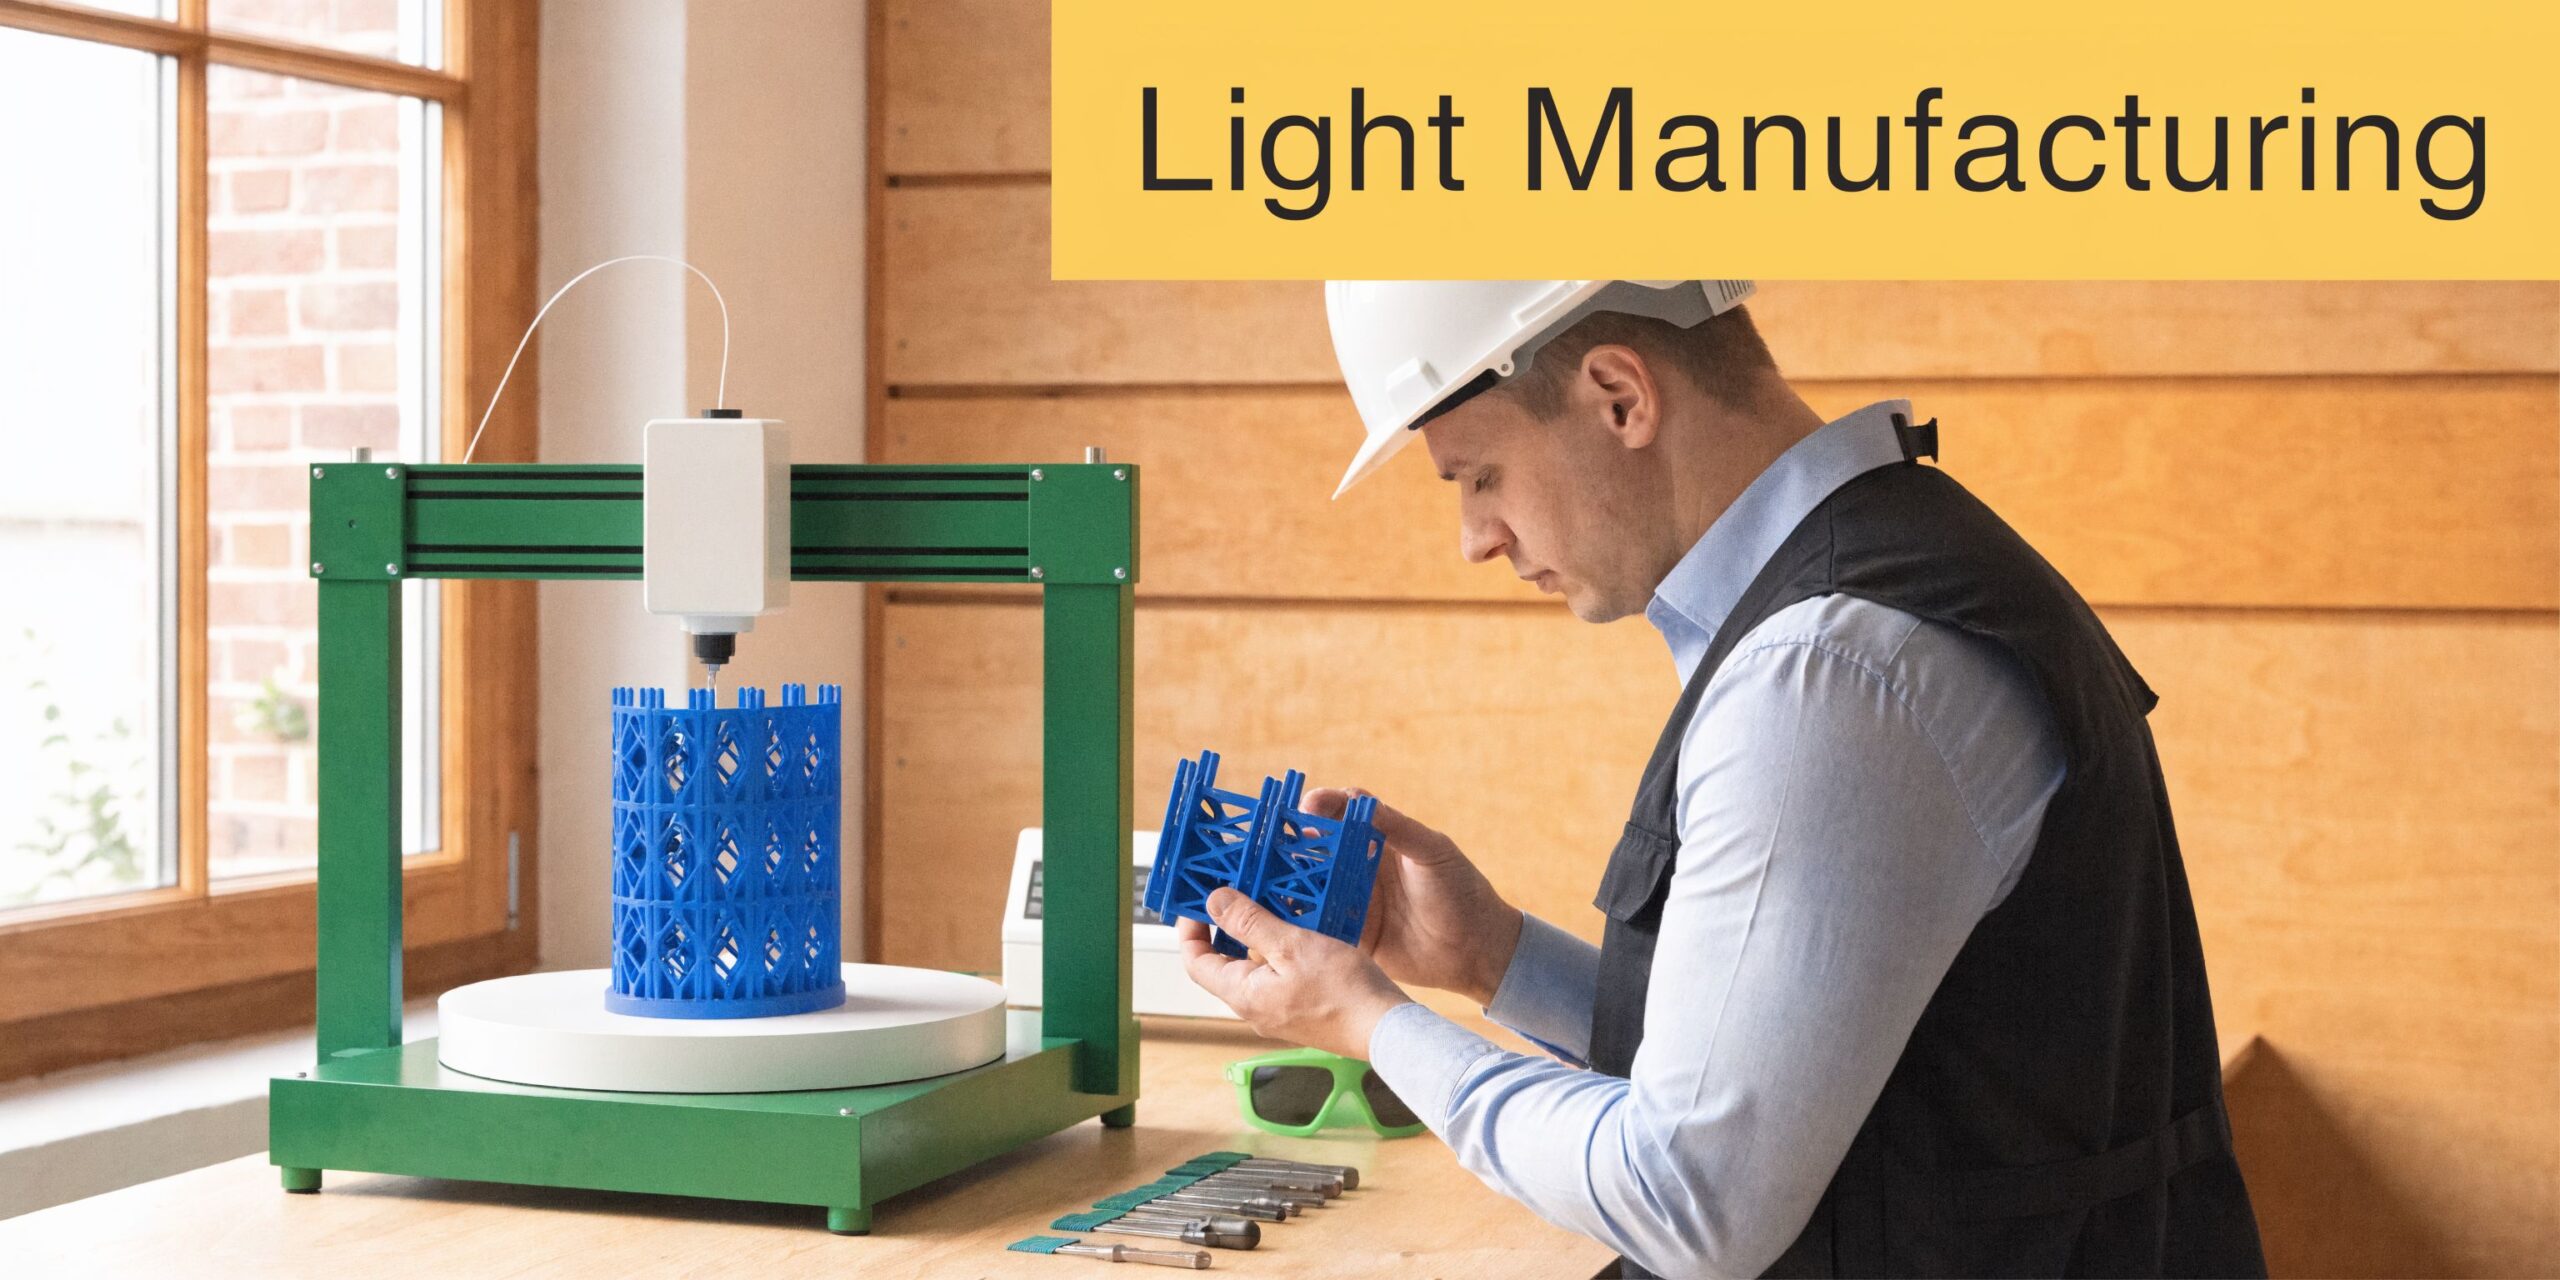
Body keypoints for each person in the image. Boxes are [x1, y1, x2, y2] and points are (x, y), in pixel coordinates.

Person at [1174, 281, 2267, 1278]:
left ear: (1618, 395)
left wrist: (1368, 1021)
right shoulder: (1898, 576)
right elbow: (1779, 1074)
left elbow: (1689, 1197)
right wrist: (1491, 956)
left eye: (1479, 476)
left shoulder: (1828, 670)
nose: (1475, 538)